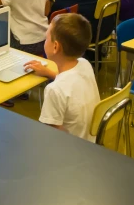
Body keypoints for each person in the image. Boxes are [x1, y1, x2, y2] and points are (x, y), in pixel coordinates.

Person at [24, 13, 99, 141]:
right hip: (90, 143)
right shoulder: (84, 64)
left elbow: (51, 137)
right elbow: (70, 84)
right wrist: (49, 73)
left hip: (70, 152)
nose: (45, 40)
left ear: (55, 47)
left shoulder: (54, 90)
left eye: (47, 37)